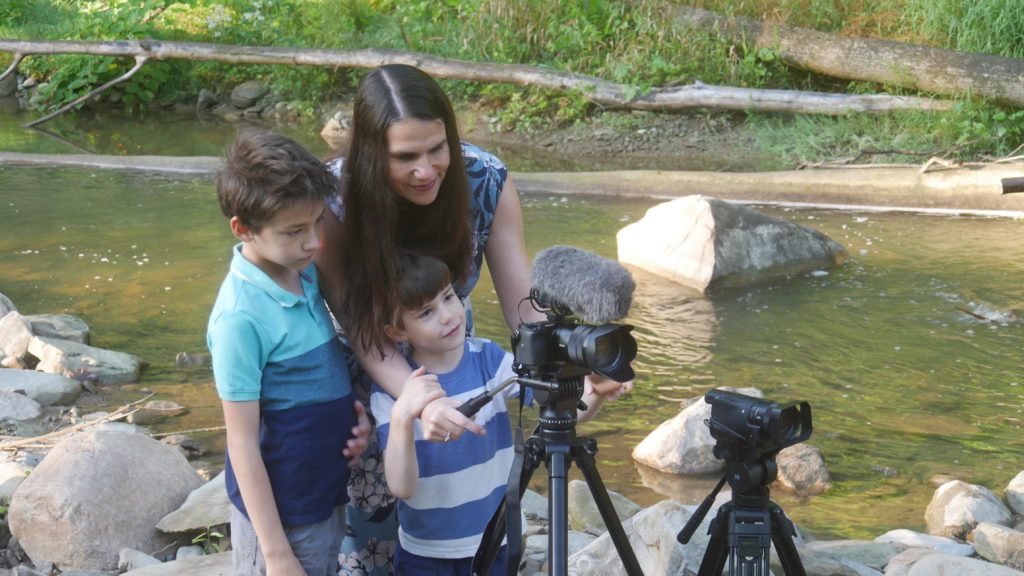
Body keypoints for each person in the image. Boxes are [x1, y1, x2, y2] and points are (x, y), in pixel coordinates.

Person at [314, 63, 630, 574]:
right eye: (405, 157)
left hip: (460, 358)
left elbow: (522, 304)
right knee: (374, 544)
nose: (426, 169)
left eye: (436, 149)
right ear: (373, 153)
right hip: (372, 379)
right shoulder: (333, 200)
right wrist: (418, 402)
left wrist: (567, 357)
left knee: (473, 520)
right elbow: (359, 325)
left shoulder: (485, 179)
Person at [373, 251, 622, 575]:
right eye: (426, 313)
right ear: (397, 332)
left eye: (449, 297)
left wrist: (597, 393)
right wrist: (403, 417)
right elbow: (401, 487)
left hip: (496, 541)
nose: (448, 315)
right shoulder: (394, 393)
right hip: (426, 553)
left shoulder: (489, 360)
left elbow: (563, 416)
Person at [207, 132, 370, 576]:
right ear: (243, 228)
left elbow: (314, 377)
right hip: (281, 518)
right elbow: (241, 443)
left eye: (317, 222)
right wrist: (276, 553)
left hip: (320, 495)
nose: (314, 241)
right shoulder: (240, 319)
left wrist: (352, 419)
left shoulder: (302, 273)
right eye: (294, 231)